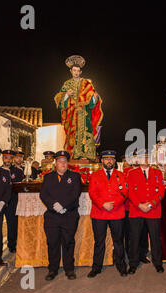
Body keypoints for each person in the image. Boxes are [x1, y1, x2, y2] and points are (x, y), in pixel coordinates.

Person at [40, 151, 82, 280]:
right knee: (52, 243)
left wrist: (63, 206)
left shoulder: (75, 176)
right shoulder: (48, 177)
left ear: (67, 163)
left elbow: (75, 194)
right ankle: (52, 269)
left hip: (69, 215)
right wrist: (54, 205)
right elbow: (43, 194)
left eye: (65, 161)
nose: (62, 164)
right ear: (55, 163)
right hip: (52, 216)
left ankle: (69, 269)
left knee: (68, 242)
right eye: (60, 161)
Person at [54, 55, 104, 160]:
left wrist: (94, 98)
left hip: (85, 114)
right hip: (72, 115)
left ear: (80, 72)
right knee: (72, 135)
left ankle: (87, 156)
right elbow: (59, 99)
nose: (76, 72)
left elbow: (92, 98)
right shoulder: (67, 84)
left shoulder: (86, 83)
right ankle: (72, 155)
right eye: (74, 70)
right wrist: (66, 95)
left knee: (86, 134)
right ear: (71, 71)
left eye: (78, 70)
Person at [88, 150, 129, 278]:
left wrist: (114, 204)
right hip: (99, 213)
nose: (109, 161)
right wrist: (103, 204)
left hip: (117, 213)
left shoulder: (121, 175)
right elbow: (92, 193)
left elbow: (124, 192)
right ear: (102, 161)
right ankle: (96, 267)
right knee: (99, 241)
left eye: (111, 159)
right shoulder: (95, 175)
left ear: (115, 161)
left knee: (118, 241)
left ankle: (121, 266)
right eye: (106, 159)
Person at [127, 149, 165, 274]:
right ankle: (133, 263)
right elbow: (130, 191)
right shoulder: (131, 173)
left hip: (153, 210)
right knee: (135, 238)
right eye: (143, 157)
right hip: (137, 211)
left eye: (148, 157)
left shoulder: (157, 173)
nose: (145, 159)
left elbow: (161, 191)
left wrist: (151, 204)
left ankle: (158, 263)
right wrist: (139, 205)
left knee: (155, 238)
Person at [122, 154, 150, 264]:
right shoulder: (126, 171)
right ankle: (130, 254)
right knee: (131, 233)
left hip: (144, 207)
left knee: (144, 232)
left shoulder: (146, 170)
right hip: (130, 207)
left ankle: (143, 254)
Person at [0, 150, 24, 253]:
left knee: (12, 224)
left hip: (13, 201)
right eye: (6, 158)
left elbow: (19, 187)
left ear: (13, 159)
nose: (8, 160)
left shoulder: (18, 171)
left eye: (10, 158)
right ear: (3, 158)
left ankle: (12, 245)